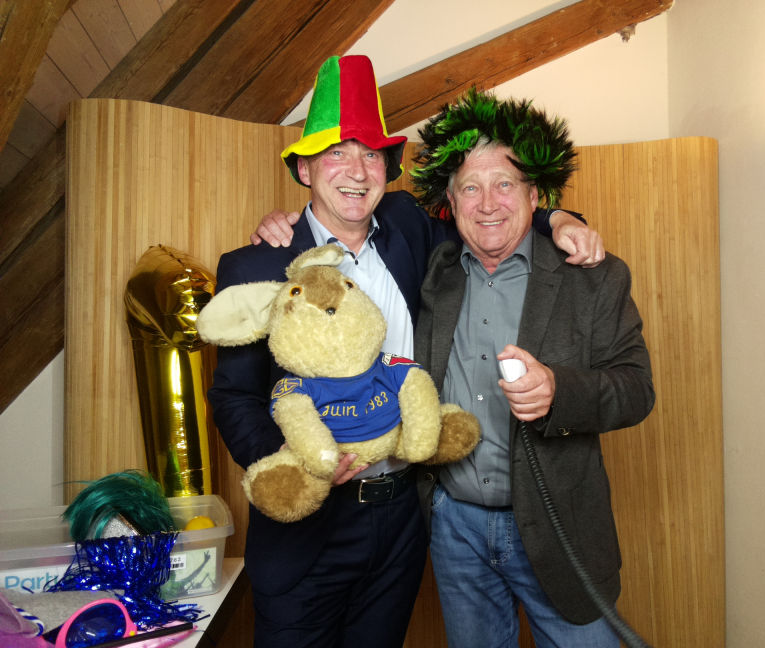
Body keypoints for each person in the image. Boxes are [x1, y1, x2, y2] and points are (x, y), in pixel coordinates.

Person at [208, 55, 606, 648]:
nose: (356, 170)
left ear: (387, 168)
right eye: (337, 153)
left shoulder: (408, 227)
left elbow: (491, 216)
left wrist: (559, 218)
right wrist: (291, 461)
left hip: (400, 520)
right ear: (305, 168)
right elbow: (233, 394)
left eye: (371, 154)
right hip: (307, 529)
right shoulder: (257, 263)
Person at [410, 89, 655, 647]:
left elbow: (637, 389)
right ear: (451, 201)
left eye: (505, 184)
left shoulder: (594, 277)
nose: (487, 203)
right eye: (470, 187)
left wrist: (559, 392)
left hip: (559, 524)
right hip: (455, 529)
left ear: (534, 193)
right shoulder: (438, 272)